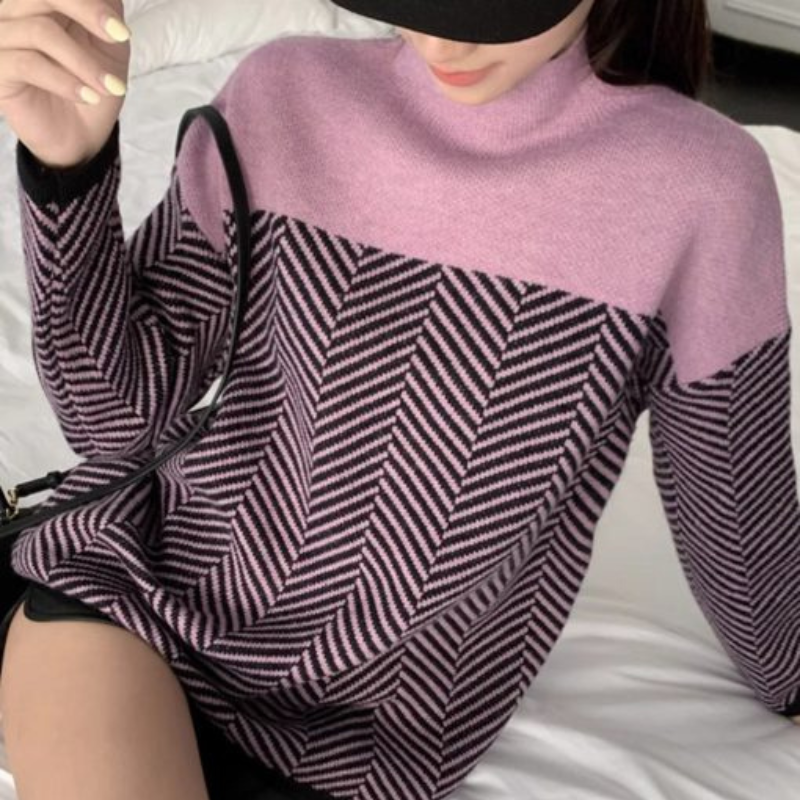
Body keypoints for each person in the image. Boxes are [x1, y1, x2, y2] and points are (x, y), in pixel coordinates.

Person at [0, 0, 799, 798]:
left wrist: (790, 677)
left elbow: (732, 501)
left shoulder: (700, 189)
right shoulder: (284, 92)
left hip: (376, 734)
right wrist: (69, 171)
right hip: (131, 601)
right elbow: (117, 423)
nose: (444, 38)